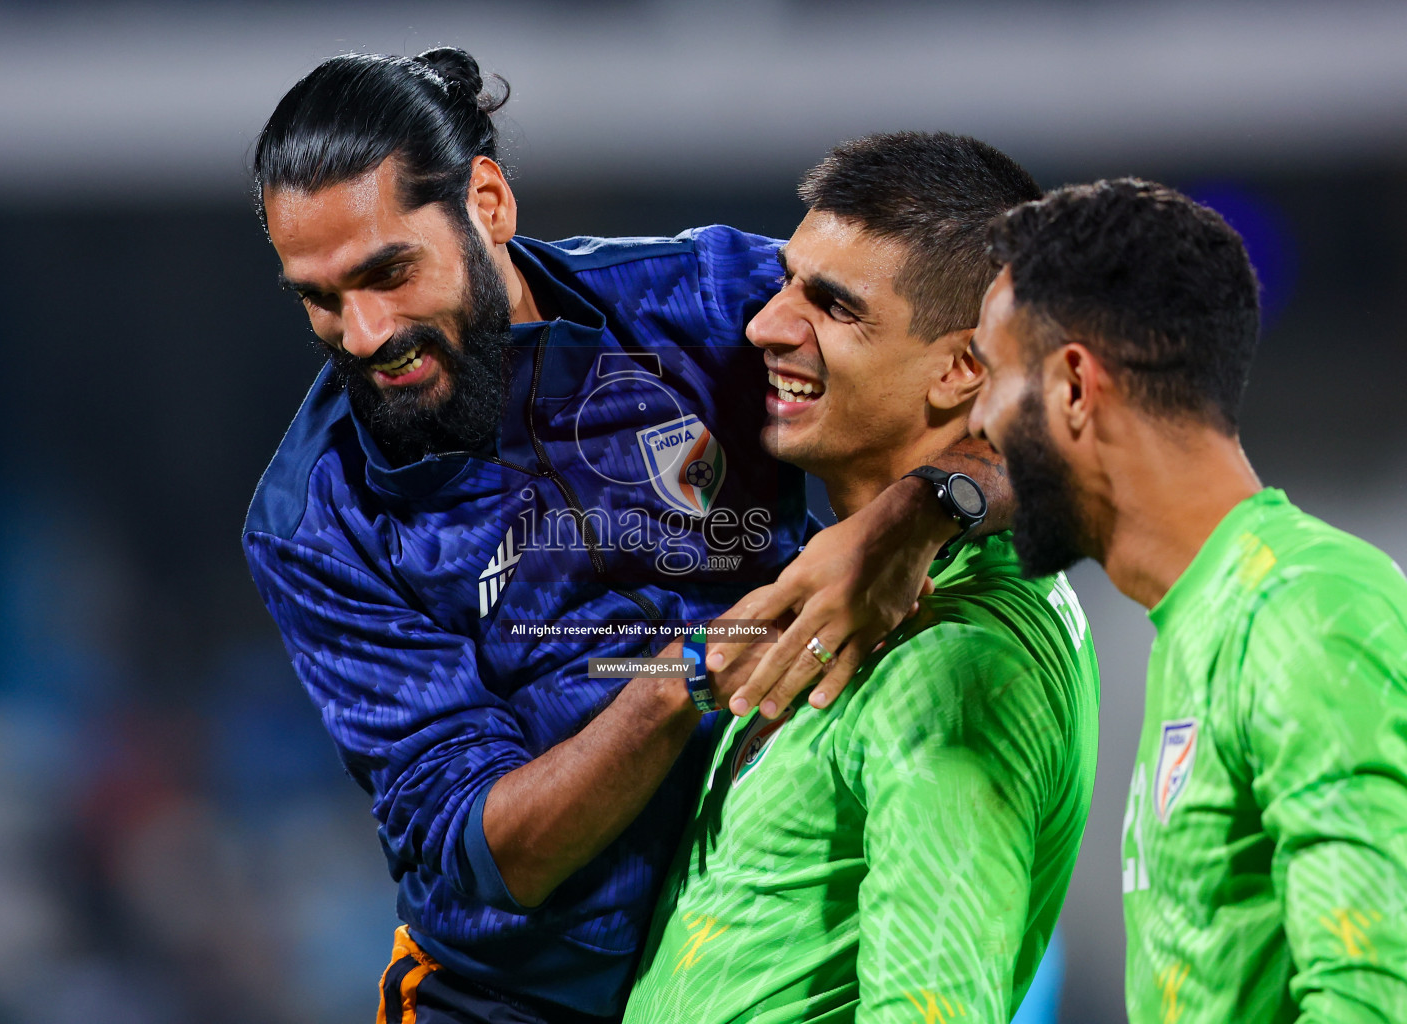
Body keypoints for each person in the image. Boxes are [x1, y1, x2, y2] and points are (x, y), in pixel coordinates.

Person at [242, 50, 1006, 1022]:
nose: (361, 332)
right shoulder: (317, 520)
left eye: (388, 273)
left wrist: (920, 511)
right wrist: (692, 670)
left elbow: (1026, 383)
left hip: (759, 926)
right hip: (515, 1001)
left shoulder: (709, 302)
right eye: (318, 296)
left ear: (487, 203)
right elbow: (493, 854)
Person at [624, 133, 1101, 1024]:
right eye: (787, 280)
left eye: (835, 307)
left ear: (965, 367)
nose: (766, 325)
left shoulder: (957, 662)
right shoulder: (846, 583)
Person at [969, 178, 1407, 1023]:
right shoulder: (1198, 621)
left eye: (991, 378)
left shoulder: (1302, 612)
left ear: (1072, 387)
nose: (979, 422)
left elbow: (1375, 995)